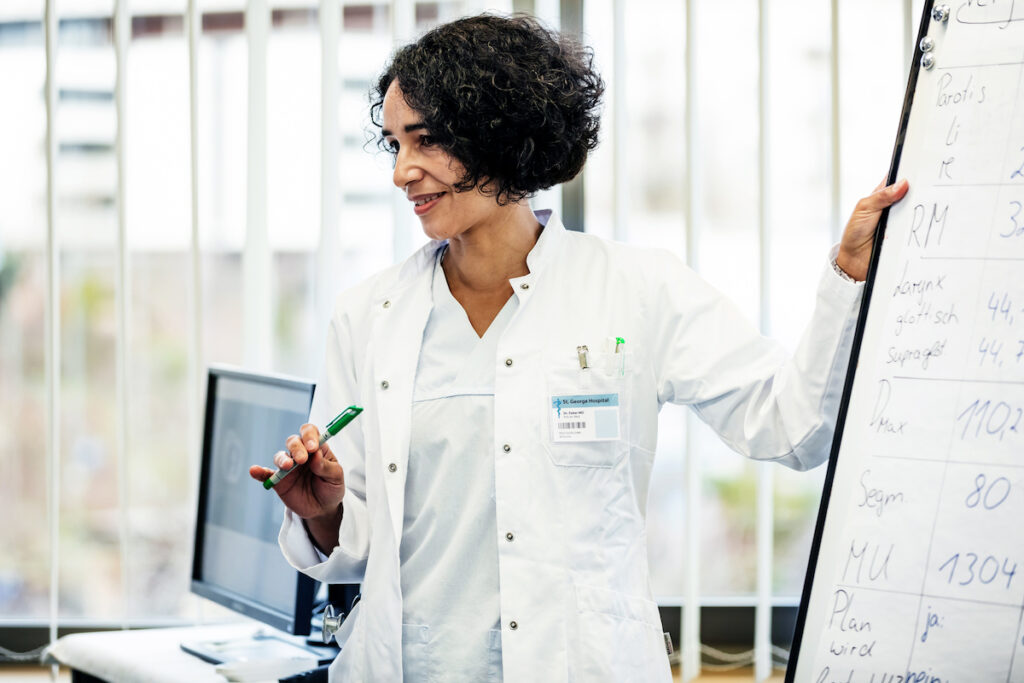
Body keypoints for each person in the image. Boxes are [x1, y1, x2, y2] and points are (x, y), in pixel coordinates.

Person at [249, 14, 908, 682]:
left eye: (424, 142)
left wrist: (850, 272)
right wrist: (324, 512)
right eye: (393, 143)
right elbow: (358, 546)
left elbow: (796, 427)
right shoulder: (367, 316)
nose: (401, 172)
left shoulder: (637, 290)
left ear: (499, 132)